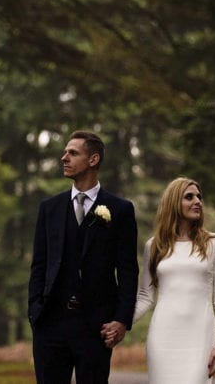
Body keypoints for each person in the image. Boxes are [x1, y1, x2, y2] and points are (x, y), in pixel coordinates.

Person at [28, 130, 139, 384]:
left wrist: (121, 320)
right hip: (50, 325)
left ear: (93, 160)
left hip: (96, 326)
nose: (64, 157)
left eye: (73, 153)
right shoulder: (49, 208)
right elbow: (39, 265)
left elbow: (127, 270)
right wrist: (35, 311)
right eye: (65, 152)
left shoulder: (120, 209)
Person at [131, 177, 215, 384]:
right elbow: (145, 297)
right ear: (173, 203)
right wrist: (120, 322)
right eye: (189, 197)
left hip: (201, 337)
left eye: (199, 197)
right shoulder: (154, 246)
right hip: (163, 338)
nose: (197, 202)